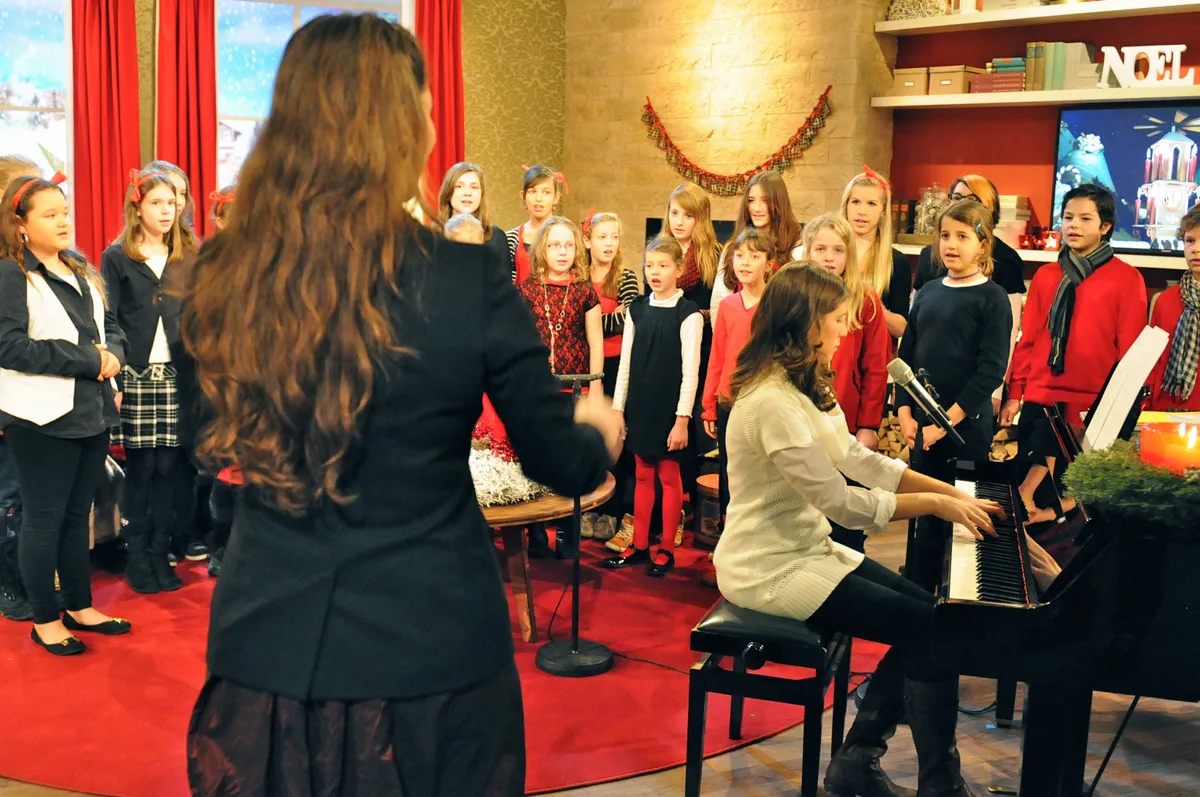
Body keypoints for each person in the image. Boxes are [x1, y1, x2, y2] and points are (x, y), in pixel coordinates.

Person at [181, 15, 618, 796]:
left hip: (270, 639)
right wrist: (597, 430)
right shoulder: (464, 278)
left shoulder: (226, 273)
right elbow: (560, 460)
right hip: (431, 648)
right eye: (426, 108)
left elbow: (203, 438)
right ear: (405, 125)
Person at [712, 262, 1002, 797]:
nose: (847, 329)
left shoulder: (803, 382)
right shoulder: (771, 402)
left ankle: (864, 762)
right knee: (933, 629)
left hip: (805, 550)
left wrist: (951, 493)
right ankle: (917, 777)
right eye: (839, 318)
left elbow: (856, 459)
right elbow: (842, 503)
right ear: (806, 324)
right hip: (766, 568)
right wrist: (937, 504)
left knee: (937, 620)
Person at [0, 175, 131, 655]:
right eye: (50, 214)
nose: (63, 222)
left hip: (91, 410)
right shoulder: (12, 273)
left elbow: (109, 326)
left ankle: (79, 605)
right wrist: (90, 359)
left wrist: (113, 355)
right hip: (39, 417)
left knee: (79, 517)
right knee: (43, 520)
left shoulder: (78, 267)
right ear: (20, 223)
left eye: (65, 212)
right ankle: (44, 620)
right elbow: (10, 346)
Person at [1001, 184, 1147, 523]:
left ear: (1105, 226)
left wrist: (1126, 406)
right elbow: (1029, 339)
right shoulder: (1046, 275)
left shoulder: (1127, 279)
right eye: (1068, 217)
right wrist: (1016, 392)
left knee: (1077, 507)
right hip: (1041, 395)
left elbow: (1131, 351)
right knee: (1030, 503)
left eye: (1085, 218)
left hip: (1091, 402)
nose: (1073, 225)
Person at [898, 201, 1012, 591]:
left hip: (965, 430)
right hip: (922, 430)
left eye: (962, 236)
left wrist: (944, 425)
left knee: (959, 514)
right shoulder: (929, 291)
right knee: (924, 514)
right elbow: (906, 358)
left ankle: (954, 596)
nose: (951, 244)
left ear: (983, 245)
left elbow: (990, 371)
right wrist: (904, 412)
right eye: (945, 235)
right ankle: (919, 591)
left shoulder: (992, 298)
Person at [101, 169, 193, 594]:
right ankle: (137, 556)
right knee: (143, 467)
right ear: (137, 208)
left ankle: (161, 552)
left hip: (176, 376)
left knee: (170, 468)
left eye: (172, 203)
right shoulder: (117, 256)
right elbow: (109, 319)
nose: (166, 211)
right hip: (136, 376)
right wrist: (115, 380)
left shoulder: (188, 253)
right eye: (156, 203)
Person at [602, 234, 703, 577]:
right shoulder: (637, 310)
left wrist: (682, 419)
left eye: (663, 265)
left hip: (669, 409)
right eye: (649, 265)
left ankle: (667, 550)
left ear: (679, 269)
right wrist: (618, 409)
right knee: (643, 475)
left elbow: (691, 372)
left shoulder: (689, 314)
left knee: (669, 477)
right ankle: (640, 544)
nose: (655, 272)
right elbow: (626, 364)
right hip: (641, 405)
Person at [804, 213, 892, 553]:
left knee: (846, 515)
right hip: (802, 421)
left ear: (849, 254)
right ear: (808, 251)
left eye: (838, 250)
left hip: (847, 423)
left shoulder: (865, 301)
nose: (829, 258)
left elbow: (876, 368)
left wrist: (868, 425)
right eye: (821, 249)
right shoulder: (794, 295)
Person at [914, 175, 1027, 412]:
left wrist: (995, 391)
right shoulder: (929, 257)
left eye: (973, 199)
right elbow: (915, 324)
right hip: (926, 386)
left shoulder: (1006, 262)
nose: (962, 204)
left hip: (974, 391)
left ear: (991, 207)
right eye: (956, 197)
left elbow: (1008, 331)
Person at [702, 227, 774, 553]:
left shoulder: (774, 306)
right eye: (740, 255)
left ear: (769, 263)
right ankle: (729, 541)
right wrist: (709, 405)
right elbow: (717, 357)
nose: (745, 262)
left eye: (754, 256)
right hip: (728, 402)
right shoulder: (729, 306)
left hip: (761, 402)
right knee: (729, 471)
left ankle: (756, 542)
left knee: (758, 473)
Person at [0, 155, 40, 622]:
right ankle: (8, 580)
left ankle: (32, 577)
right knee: (8, 496)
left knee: (29, 499)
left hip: (32, 401)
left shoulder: (35, 262)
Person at [582, 209, 638, 539]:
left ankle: (614, 511)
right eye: (602, 237)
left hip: (618, 367)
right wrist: (603, 318)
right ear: (588, 241)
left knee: (617, 437)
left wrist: (589, 320)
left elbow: (626, 320)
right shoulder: (579, 276)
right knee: (590, 436)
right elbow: (574, 321)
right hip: (588, 367)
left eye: (614, 237)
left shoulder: (626, 278)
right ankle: (589, 506)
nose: (609, 243)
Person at [711, 171, 803, 320]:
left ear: (779, 202)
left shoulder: (796, 249)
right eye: (751, 200)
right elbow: (719, 300)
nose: (756, 208)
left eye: (765, 201)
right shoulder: (732, 248)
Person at [840, 167, 911, 340]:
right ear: (846, 206)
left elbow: (900, 328)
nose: (861, 211)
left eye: (871, 204)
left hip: (873, 351)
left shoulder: (896, 261)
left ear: (883, 212)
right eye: (855, 202)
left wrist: (870, 303)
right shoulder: (830, 253)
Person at [1148, 204, 1200, 412]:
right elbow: (1153, 360)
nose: (1196, 249)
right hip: (1166, 407)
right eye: (1190, 241)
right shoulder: (1165, 300)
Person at [437, 161, 509, 265]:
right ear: (448, 192)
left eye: (474, 187)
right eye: (459, 186)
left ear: (481, 194)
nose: (467, 193)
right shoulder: (434, 236)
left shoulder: (496, 237)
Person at [506, 164, 564, 284]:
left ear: (556, 197)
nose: (539, 198)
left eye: (546, 192)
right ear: (523, 196)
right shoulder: (511, 238)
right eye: (532, 191)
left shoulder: (567, 236)